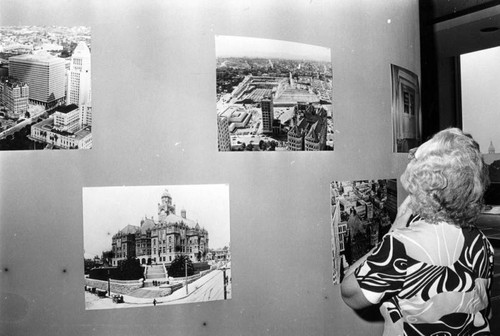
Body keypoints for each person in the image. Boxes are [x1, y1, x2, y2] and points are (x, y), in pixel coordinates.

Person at [341, 128, 494, 335]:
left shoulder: (401, 245)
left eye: (416, 159)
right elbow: (485, 311)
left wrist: (393, 231)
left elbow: (350, 293)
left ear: (425, 180)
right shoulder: (480, 241)